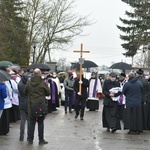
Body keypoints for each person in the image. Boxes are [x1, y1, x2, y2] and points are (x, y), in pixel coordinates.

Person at [25, 68, 50, 145]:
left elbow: (25, 91)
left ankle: (30, 140)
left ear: (33, 74)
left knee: (31, 123)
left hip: (31, 105)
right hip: (40, 105)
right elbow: (48, 93)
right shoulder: (43, 83)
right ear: (40, 74)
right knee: (40, 123)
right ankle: (41, 140)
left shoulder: (29, 83)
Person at [18, 73, 29, 141]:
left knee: (23, 120)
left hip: (22, 103)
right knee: (29, 121)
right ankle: (29, 136)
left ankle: (21, 136)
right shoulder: (28, 84)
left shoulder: (20, 84)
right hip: (28, 103)